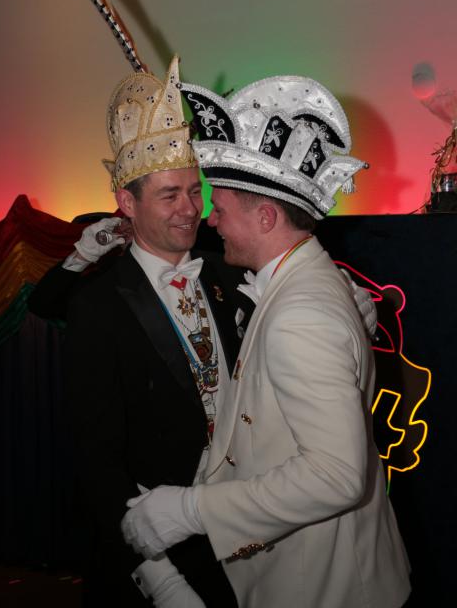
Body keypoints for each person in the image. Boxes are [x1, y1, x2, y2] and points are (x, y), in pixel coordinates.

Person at [121, 74, 412, 608]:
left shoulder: (301, 311)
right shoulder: (304, 282)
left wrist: (189, 510)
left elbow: (336, 476)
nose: (210, 219)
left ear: (266, 215)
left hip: (326, 584)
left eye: (221, 206)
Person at [59, 57, 244, 607]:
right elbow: (97, 458)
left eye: (194, 191)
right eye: (170, 195)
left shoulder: (229, 274)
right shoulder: (97, 307)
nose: (191, 210)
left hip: (239, 533)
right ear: (127, 203)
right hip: (160, 548)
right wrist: (157, 576)